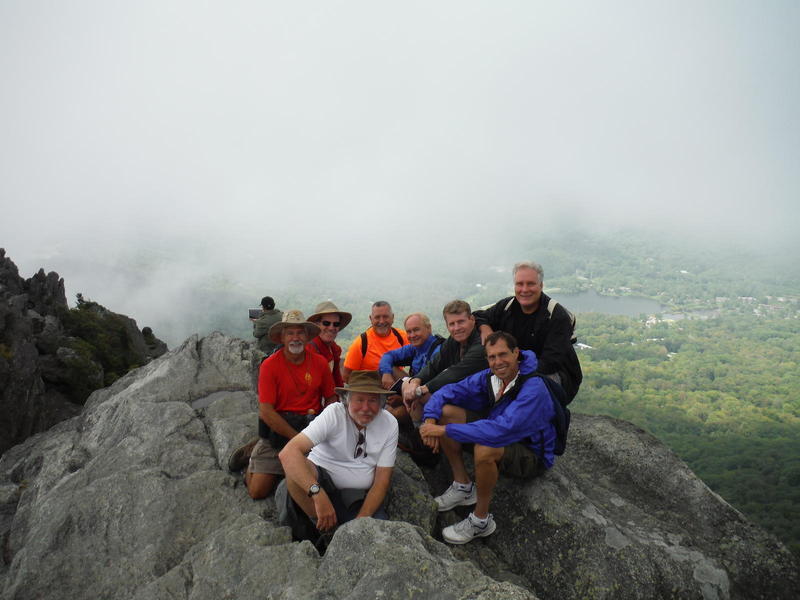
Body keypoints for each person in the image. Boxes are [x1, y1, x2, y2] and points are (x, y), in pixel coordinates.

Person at [419, 331, 556, 544]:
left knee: (484, 447)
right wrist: (429, 421)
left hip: (530, 453)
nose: (498, 362)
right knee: (445, 413)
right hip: (501, 433)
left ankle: (481, 520)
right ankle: (463, 486)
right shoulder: (490, 378)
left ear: (516, 353)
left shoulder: (533, 387)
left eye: (503, 355)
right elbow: (447, 391)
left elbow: (501, 430)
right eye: (492, 357)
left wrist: (443, 431)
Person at [277, 370, 398, 542]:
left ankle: (337, 534)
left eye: (372, 400)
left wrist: (359, 524)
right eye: (359, 400)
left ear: (381, 402)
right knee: (294, 474)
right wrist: (318, 494)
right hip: (320, 481)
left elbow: (381, 481)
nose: (366, 408)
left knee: (374, 538)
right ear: (347, 400)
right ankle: (325, 532)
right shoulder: (334, 414)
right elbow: (288, 453)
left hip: (357, 497)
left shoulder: (389, 423)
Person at [237, 310, 337, 500]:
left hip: (310, 428)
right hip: (279, 431)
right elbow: (266, 411)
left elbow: (331, 397)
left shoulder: (320, 363)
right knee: (257, 491)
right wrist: (297, 440)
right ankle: (250, 461)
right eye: (290, 333)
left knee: (320, 482)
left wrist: (326, 427)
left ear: (307, 336)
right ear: (282, 337)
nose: (295, 338)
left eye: (300, 333)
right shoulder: (269, 366)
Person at [473, 261, 582, 400]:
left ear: (541, 286)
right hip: (515, 368)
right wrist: (485, 329)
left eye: (530, 284)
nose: (524, 289)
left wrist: (511, 376)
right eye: (520, 284)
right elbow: (478, 316)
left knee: (530, 386)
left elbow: (549, 363)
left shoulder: (556, 316)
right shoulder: (508, 306)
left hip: (555, 375)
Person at [401, 300, 488, 422]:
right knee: (408, 385)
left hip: (480, 405)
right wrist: (415, 381)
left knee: (431, 402)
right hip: (460, 396)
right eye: (452, 324)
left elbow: (456, 372)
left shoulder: (482, 343)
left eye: (461, 322)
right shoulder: (454, 341)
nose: (457, 328)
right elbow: (434, 365)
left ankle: (426, 431)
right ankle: (420, 433)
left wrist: (422, 389)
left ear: (472, 320)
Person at [342, 301, 408, 380]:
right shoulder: (361, 343)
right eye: (377, 317)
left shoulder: (402, 337)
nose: (381, 321)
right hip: (369, 387)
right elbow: (346, 375)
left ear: (392, 318)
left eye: (385, 317)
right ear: (371, 319)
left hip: (396, 386)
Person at [378, 313, 445, 389]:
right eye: (409, 332)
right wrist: (386, 373)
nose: (412, 335)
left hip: (430, 392)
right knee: (386, 368)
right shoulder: (415, 348)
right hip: (414, 385)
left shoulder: (438, 351)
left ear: (428, 328)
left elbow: (435, 384)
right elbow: (388, 355)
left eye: (416, 330)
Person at [306, 300, 352, 388]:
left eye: (336, 324)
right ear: (317, 325)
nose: (331, 328)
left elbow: (337, 379)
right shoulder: (309, 349)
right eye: (326, 323)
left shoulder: (334, 348)